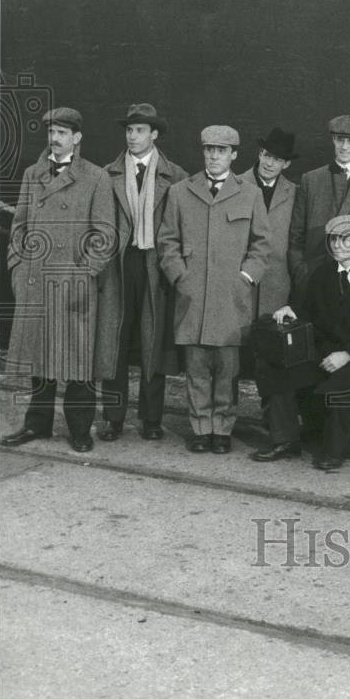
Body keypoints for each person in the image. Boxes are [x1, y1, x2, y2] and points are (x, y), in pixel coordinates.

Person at [1, 107, 115, 453]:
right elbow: (19, 225)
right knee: (40, 358)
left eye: (63, 132)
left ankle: (80, 429)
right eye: (51, 130)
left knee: (78, 362)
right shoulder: (33, 173)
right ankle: (37, 424)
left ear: (77, 138)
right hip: (36, 280)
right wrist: (18, 267)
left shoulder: (96, 178)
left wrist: (84, 275)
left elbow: (105, 236)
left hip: (73, 284)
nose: (55, 137)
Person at [157, 125, 271, 453]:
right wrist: (181, 277)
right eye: (209, 149)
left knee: (227, 372)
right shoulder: (181, 192)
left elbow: (262, 243)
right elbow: (167, 241)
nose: (214, 156)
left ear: (234, 154)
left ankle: (222, 428)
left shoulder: (249, 194)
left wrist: (246, 277)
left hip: (231, 299)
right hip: (193, 299)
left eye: (221, 150)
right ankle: (200, 427)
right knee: (195, 370)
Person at [255, 215, 350, 471]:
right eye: (334, 239)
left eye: (345, 239)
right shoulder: (322, 274)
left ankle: (334, 450)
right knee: (279, 370)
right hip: (323, 353)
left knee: (342, 385)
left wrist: (349, 354)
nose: (337, 245)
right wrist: (292, 310)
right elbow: (308, 311)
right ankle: (285, 440)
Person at [97, 103, 187, 442]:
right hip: (118, 266)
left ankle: (151, 419)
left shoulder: (175, 175)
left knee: (155, 343)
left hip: (156, 266)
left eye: (139, 130)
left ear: (155, 134)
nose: (132, 137)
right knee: (115, 343)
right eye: (129, 130)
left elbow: (181, 227)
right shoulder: (108, 174)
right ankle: (113, 418)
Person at [287, 115, 350, 296]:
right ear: (333, 140)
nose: (344, 146)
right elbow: (296, 235)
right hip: (312, 281)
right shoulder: (310, 180)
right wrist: (300, 271)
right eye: (340, 140)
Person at [239, 126, 299, 318]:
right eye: (266, 156)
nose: (269, 163)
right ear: (259, 154)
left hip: (277, 288)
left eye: (277, 159)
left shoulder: (294, 193)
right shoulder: (234, 185)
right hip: (240, 281)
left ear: (287, 164)